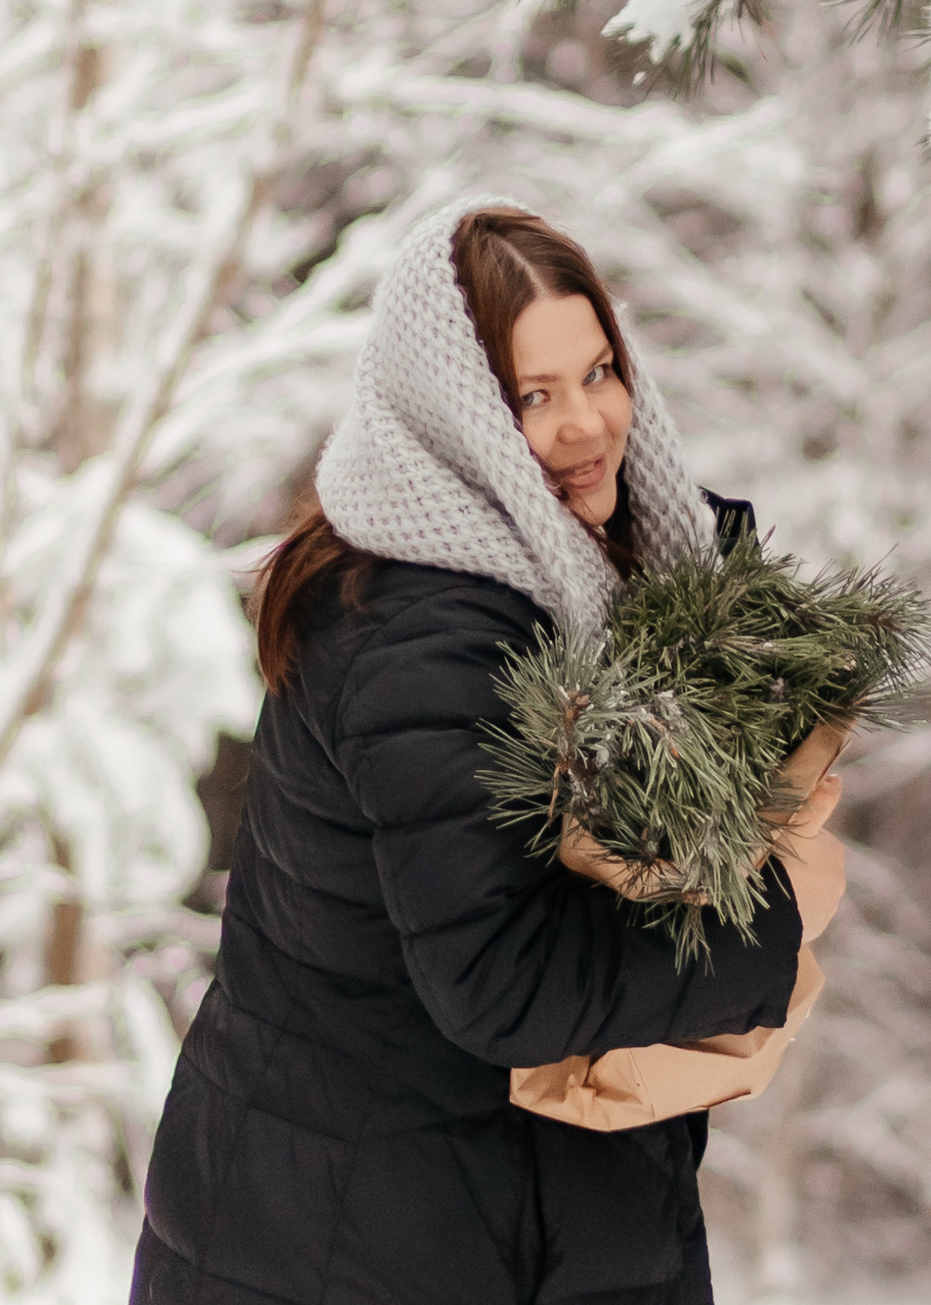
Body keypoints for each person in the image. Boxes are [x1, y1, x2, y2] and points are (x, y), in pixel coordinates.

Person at [131, 199, 844, 1305]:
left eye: (598, 373)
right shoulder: (428, 638)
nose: (585, 424)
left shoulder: (580, 574)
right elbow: (503, 983)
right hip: (361, 1241)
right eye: (531, 397)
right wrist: (766, 935)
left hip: (472, 1210)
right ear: (453, 419)